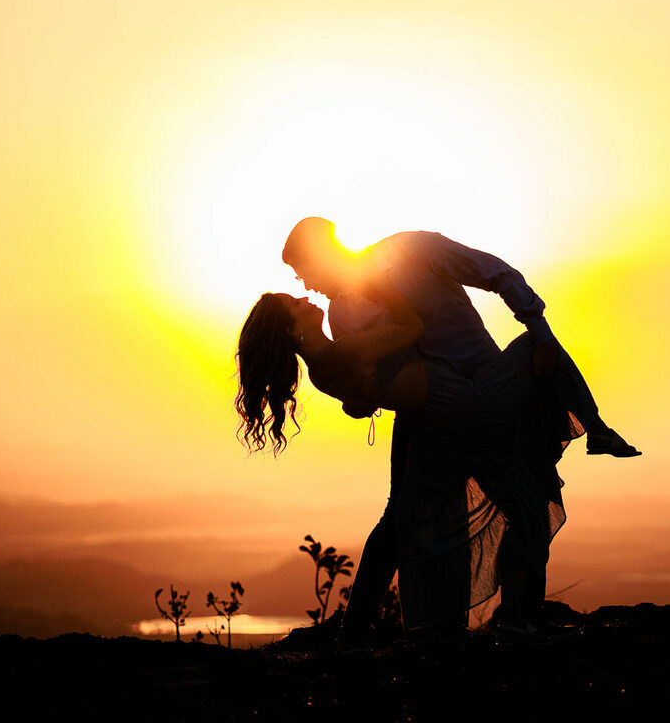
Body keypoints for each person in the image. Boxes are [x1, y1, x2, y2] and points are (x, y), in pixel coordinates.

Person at [281, 218, 638, 642]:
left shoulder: (414, 251)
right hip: (436, 415)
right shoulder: (343, 314)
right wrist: (363, 399)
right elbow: (375, 377)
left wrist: (538, 332)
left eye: (304, 269)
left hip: (489, 391)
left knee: (530, 499)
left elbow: (496, 273)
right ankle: (401, 627)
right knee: (411, 519)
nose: (305, 283)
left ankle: (518, 616)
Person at [234, 277, 558, 642]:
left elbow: (365, 389)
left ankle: (362, 625)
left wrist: (361, 401)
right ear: (292, 330)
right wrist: (385, 280)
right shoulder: (339, 354)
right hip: (450, 408)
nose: (304, 297)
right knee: (537, 345)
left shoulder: (324, 363)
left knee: (400, 519)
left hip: (421, 415)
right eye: (294, 303)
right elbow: (410, 328)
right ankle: (501, 618)